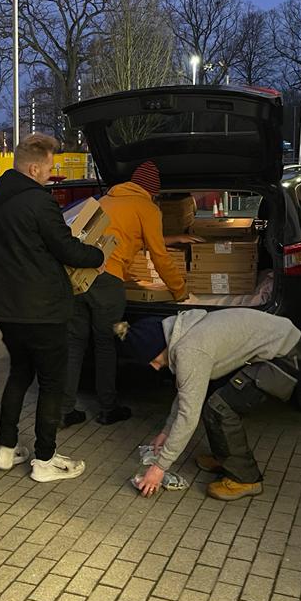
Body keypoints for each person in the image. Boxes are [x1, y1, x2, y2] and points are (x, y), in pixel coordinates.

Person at [0, 133, 105, 482]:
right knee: (51, 381)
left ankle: (6, 449)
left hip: (6, 308)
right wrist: (98, 254)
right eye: (49, 166)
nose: (52, 172)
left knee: (20, 373)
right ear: (34, 168)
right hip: (42, 309)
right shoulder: (37, 201)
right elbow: (67, 250)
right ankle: (45, 460)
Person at [120, 309, 301, 501]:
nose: (154, 366)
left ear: (159, 347)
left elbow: (188, 415)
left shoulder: (190, 350)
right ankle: (225, 458)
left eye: (152, 359)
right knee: (212, 400)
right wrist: (166, 431)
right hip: (281, 344)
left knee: (219, 407)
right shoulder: (181, 331)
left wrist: (159, 468)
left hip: (289, 357)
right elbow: (187, 391)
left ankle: (245, 478)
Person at [62, 161, 187, 428]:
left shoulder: (106, 199)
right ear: (153, 191)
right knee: (107, 343)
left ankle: (64, 410)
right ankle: (108, 408)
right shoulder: (147, 208)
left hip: (78, 278)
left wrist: (129, 275)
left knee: (74, 344)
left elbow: (116, 239)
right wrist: (180, 291)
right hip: (108, 285)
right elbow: (160, 256)